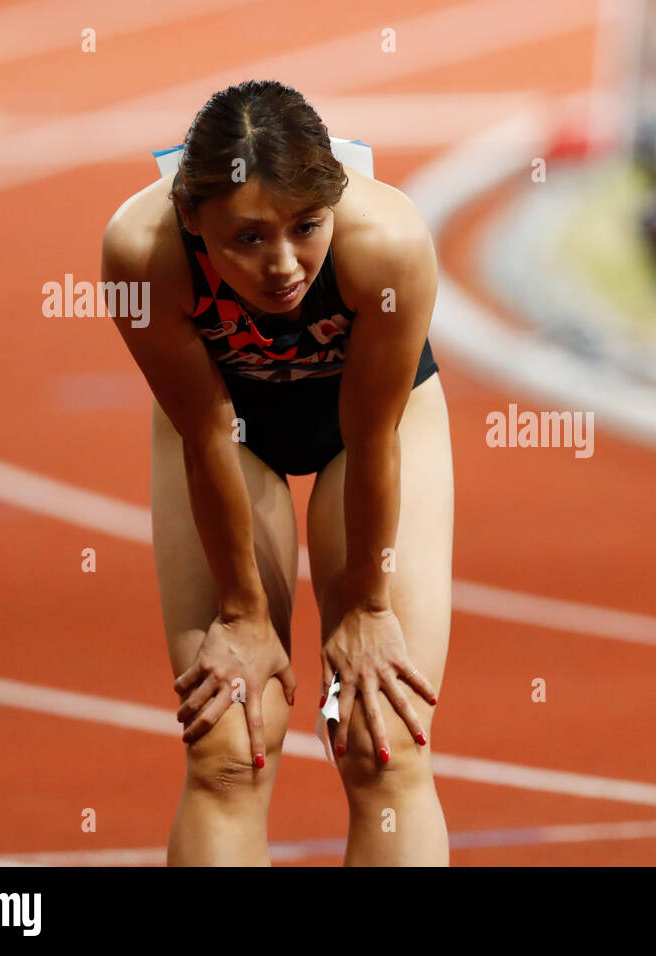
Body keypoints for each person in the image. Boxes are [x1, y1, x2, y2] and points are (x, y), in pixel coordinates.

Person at [100, 80, 454, 866]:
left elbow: (371, 438)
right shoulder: (141, 250)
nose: (285, 266)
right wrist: (241, 615)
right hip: (227, 429)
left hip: (369, 428)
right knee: (231, 742)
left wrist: (366, 604)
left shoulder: (387, 242)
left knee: (382, 738)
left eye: (306, 227)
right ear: (193, 220)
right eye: (248, 238)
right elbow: (206, 432)